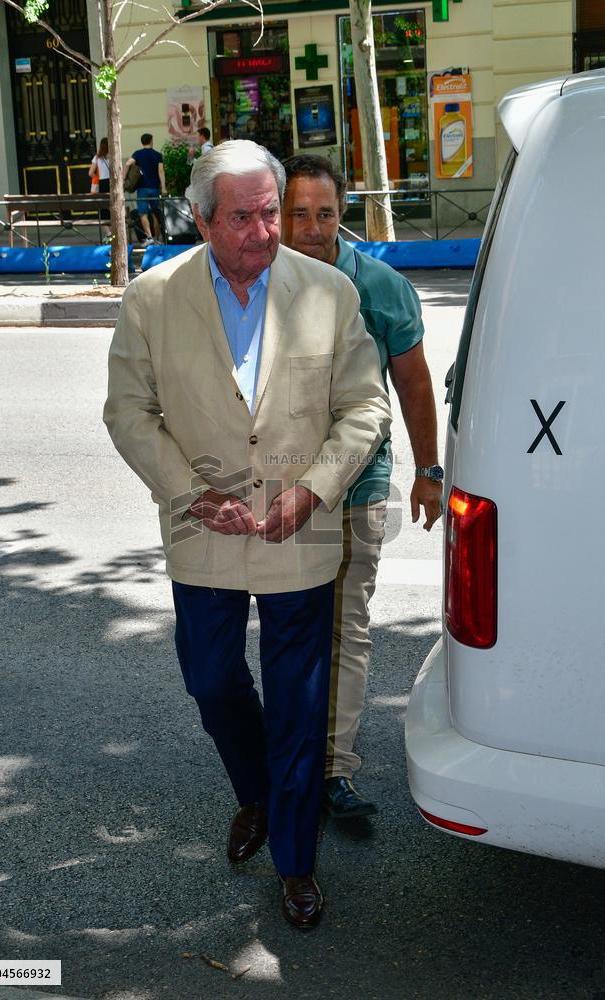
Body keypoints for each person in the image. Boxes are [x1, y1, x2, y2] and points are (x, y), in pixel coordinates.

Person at [103, 140, 391, 929]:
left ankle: (296, 862)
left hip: (300, 527)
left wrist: (315, 489)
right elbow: (129, 411)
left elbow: (365, 407)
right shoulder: (152, 298)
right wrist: (191, 493)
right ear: (199, 218)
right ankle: (257, 792)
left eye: (271, 211)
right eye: (242, 217)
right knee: (210, 680)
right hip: (203, 528)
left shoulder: (329, 292)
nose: (265, 231)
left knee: (298, 705)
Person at [281, 154, 443, 820]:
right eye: (299, 213)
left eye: (324, 213)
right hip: (283, 488)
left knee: (345, 628)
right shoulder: (256, 285)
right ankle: (292, 758)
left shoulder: (379, 286)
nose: (313, 227)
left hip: (359, 485)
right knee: (293, 629)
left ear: (340, 213)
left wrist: (428, 473)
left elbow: (413, 383)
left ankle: (333, 772)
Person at [123, 133, 167, 245]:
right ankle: (157, 239)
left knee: (143, 213)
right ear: (151, 141)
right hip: (155, 188)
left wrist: (124, 178)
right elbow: (161, 171)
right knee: (155, 213)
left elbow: (128, 164)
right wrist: (164, 187)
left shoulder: (137, 154)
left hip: (142, 188)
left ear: (142, 142)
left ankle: (149, 237)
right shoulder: (157, 155)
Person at [89, 137, 111, 241]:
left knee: (104, 209)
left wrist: (97, 175)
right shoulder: (113, 156)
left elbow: (90, 173)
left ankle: (109, 234)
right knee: (113, 207)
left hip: (103, 183)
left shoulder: (97, 158)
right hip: (112, 183)